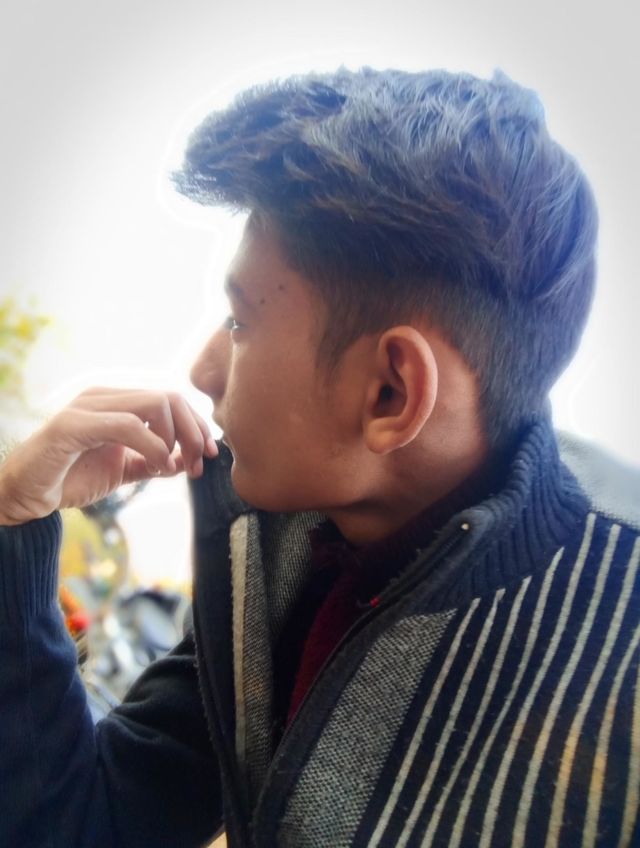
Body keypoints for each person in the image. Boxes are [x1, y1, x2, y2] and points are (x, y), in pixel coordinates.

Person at [0, 66, 638, 848]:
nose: (203, 369)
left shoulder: (618, 649)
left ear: (390, 394)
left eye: (240, 322)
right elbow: (81, 827)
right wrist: (15, 523)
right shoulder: (272, 551)